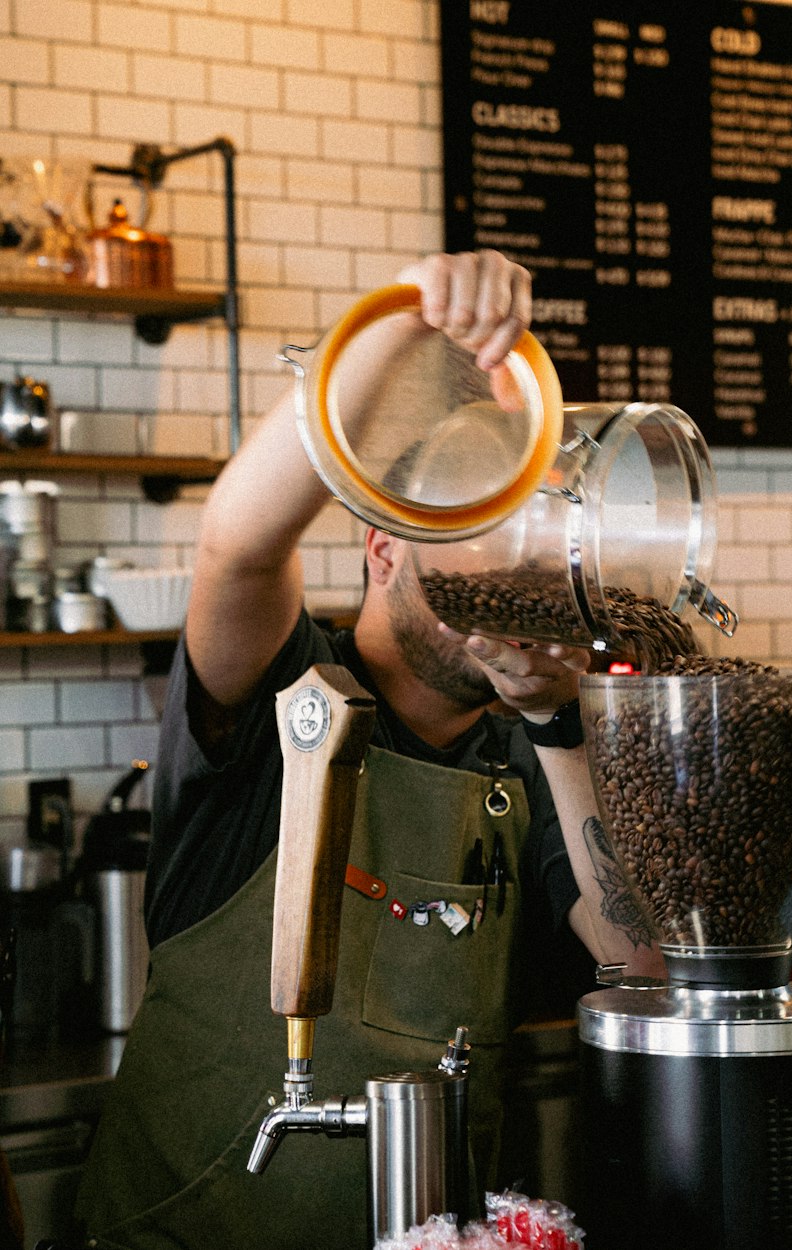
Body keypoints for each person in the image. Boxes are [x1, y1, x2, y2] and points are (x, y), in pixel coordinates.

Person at [75, 249, 662, 1250]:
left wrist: (560, 719)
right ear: (383, 543)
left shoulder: (530, 762)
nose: (512, 569)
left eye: (525, 539)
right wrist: (407, 312)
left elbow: (643, 956)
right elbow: (238, 540)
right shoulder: (282, 694)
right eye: (475, 525)